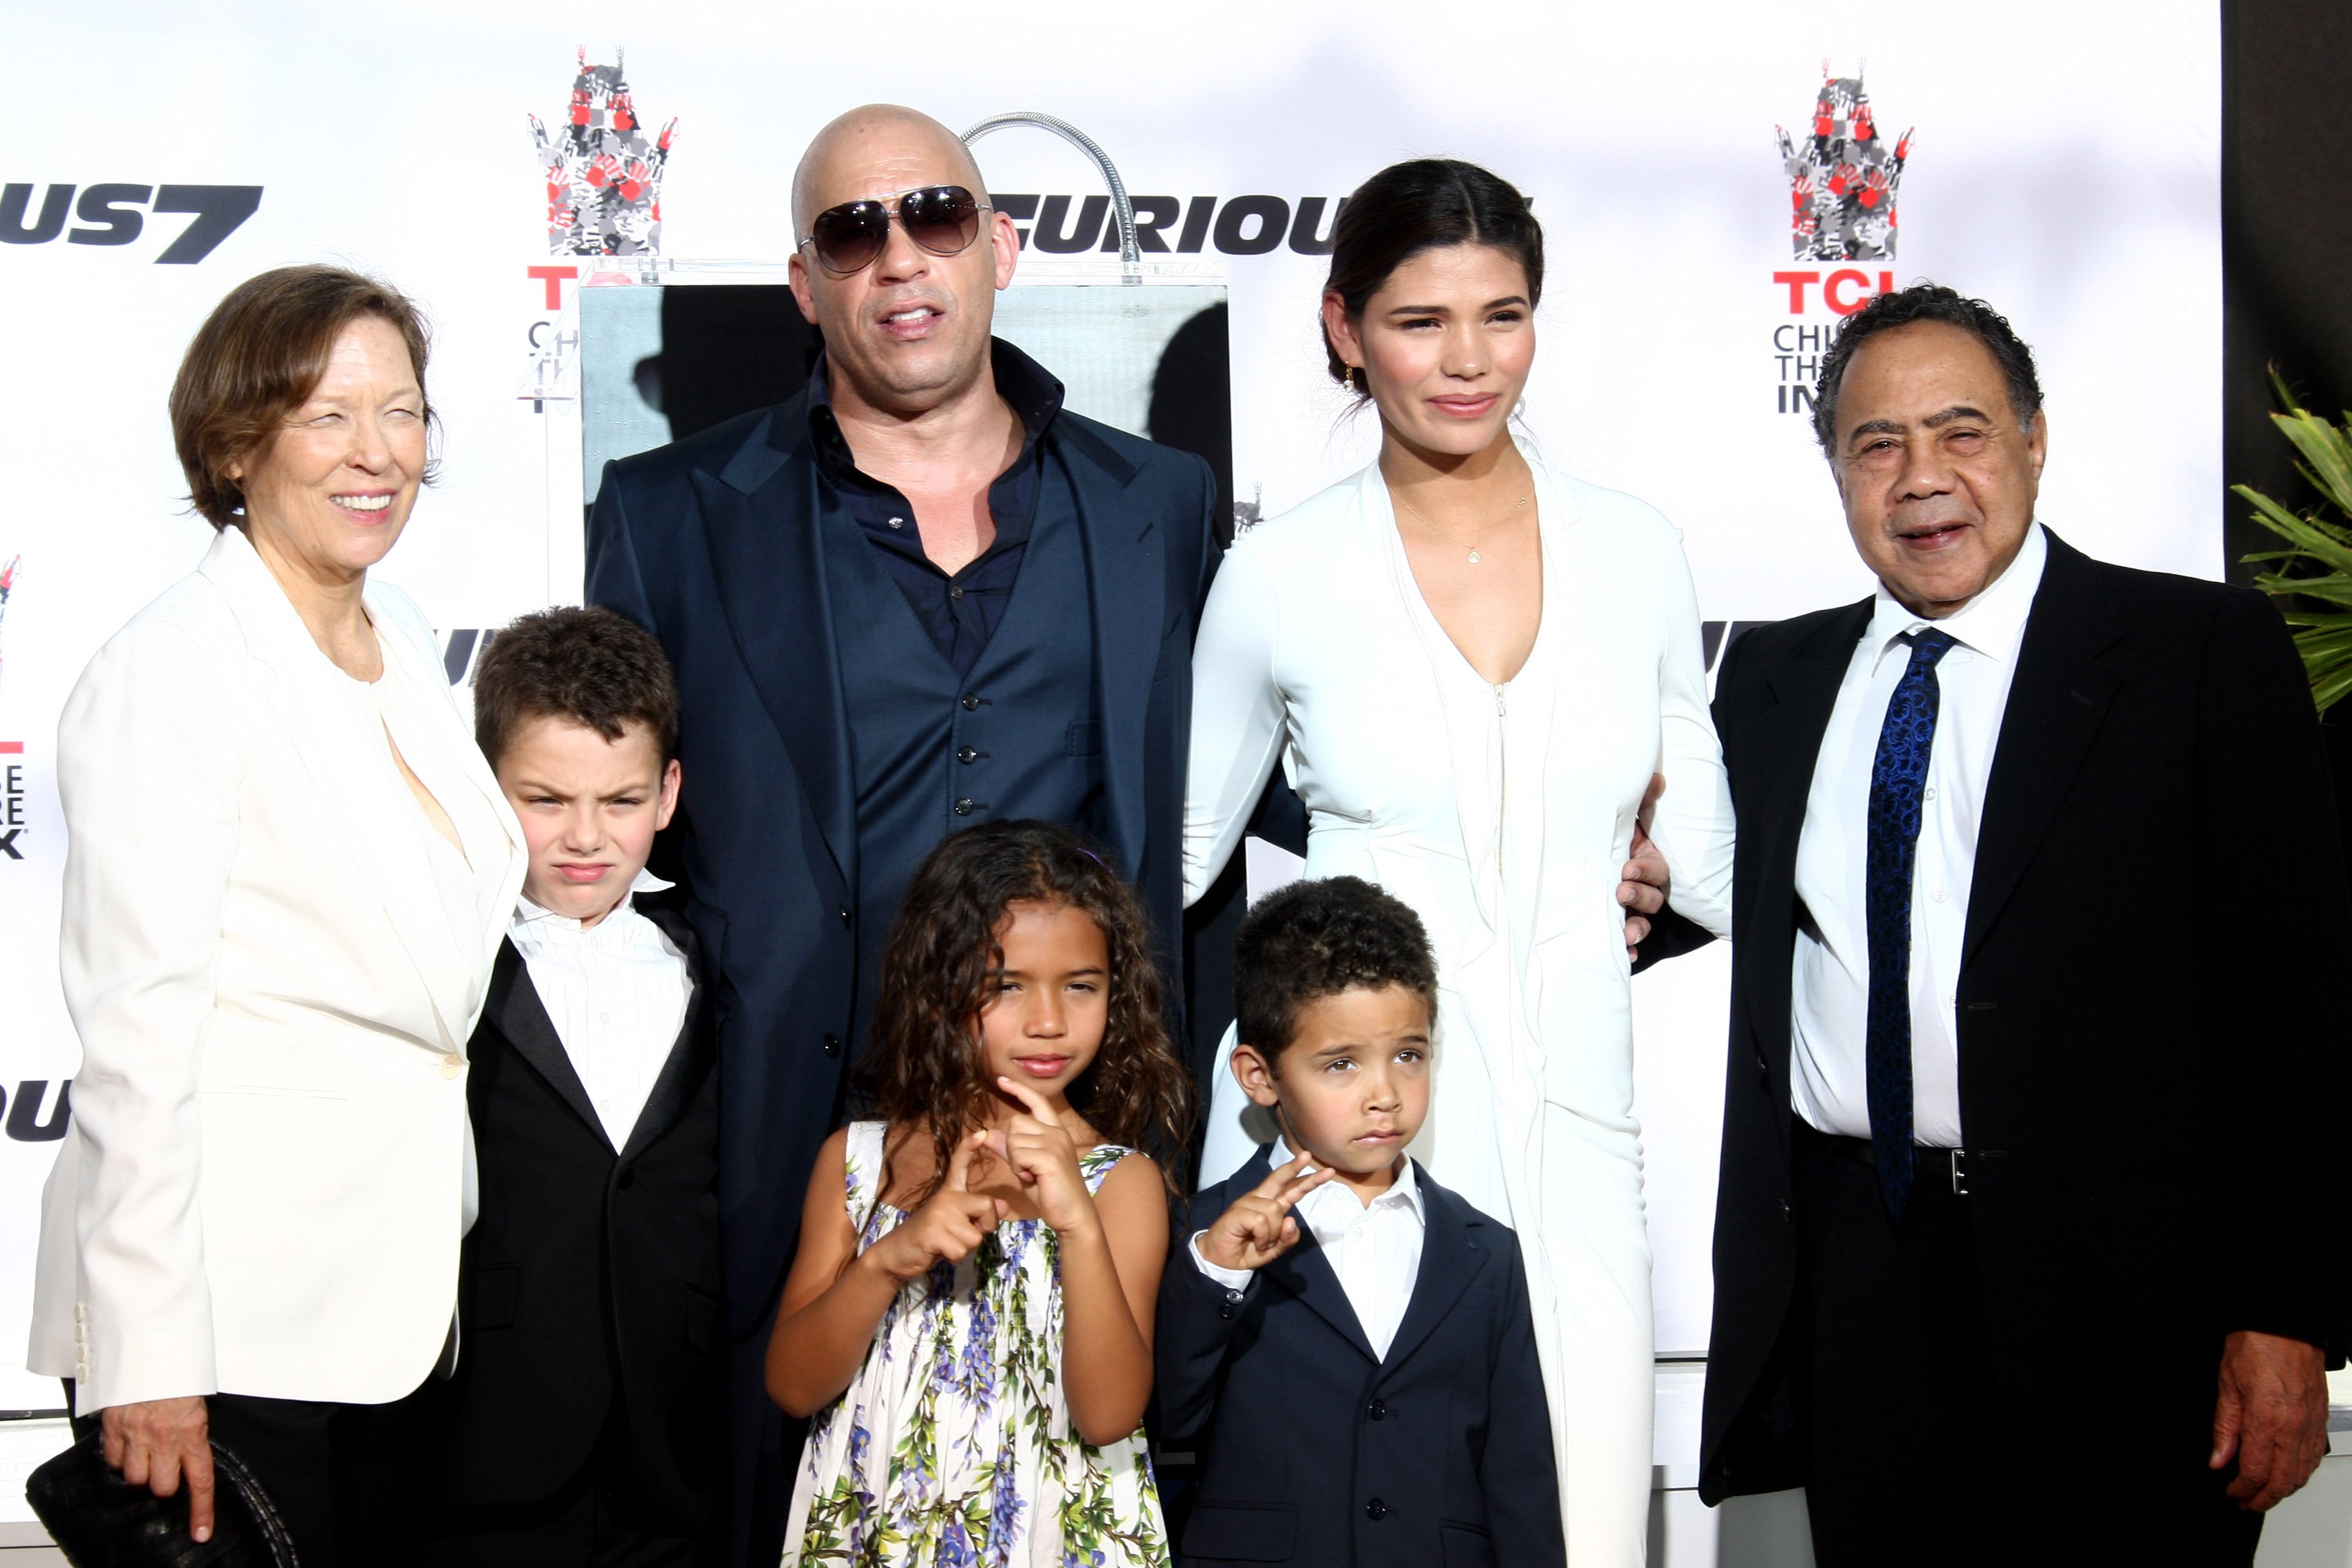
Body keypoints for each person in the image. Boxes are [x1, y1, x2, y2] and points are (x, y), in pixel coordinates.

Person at [583, 104, 1221, 1560]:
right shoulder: (673, 511)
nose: (900, 257)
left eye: (935, 215)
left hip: (1083, 1124)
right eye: (850, 232)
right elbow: (599, 815)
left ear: (1000, 247)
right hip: (793, 1128)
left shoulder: (1156, 505)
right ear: (804, 286)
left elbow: (1238, 791)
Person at [1697, 283, 2352, 1565]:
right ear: (1834, 472)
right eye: (1877, 445)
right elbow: (1664, 892)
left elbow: (2304, 1011)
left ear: (2035, 440)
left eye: (1963, 432)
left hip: (2129, 1307)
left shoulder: (2196, 651)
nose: (1922, 477)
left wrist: (2287, 1319)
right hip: (1862, 1281)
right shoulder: (1776, 679)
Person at [1181, 158, 1733, 1561]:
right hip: (1362, 1138)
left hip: (1580, 1129)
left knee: (1591, 1521)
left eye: (1505, 314)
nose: (1469, 361)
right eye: (1422, 322)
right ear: (1343, 328)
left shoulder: (1635, 550)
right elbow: (1178, 854)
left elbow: (1712, 851)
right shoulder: (1279, 574)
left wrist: (1663, 877)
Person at [27, 265, 524, 1563]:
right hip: (228, 1324)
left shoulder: (400, 637)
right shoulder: (172, 676)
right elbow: (139, 1042)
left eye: (403, 413)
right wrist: (146, 1354)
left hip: (393, 1306)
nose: (378, 455)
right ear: (237, 443)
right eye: (328, 416)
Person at [763, 820, 1187, 1566]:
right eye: (1006, 986)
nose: (1049, 1021)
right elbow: (793, 1387)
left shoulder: (1122, 1182)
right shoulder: (860, 1162)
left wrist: (1078, 1229)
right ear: (939, 989)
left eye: (1080, 986)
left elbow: (1109, 1413)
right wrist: (890, 1258)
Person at [404, 607, 722, 1565]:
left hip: (684, 1448)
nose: (587, 837)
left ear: (669, 793)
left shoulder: (721, 961)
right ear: (486, 788)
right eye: (546, 800)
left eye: (621, 801)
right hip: (477, 1444)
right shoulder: (435, 958)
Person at [1156, 876, 1563, 1568]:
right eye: (1340, 1064)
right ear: (1259, 1076)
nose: (1384, 1095)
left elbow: (1518, 1479)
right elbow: (1166, 1418)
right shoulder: (1200, 1238)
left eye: (1408, 1055)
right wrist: (1216, 1274)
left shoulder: (1488, 1255)